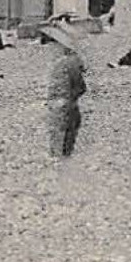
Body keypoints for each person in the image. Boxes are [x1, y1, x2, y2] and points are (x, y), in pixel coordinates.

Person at [40, 18, 87, 159]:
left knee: (58, 131)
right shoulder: (70, 62)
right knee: (66, 131)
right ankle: (62, 156)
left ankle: (58, 157)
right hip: (66, 102)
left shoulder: (63, 63)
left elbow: (78, 86)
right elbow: (81, 87)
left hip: (61, 102)